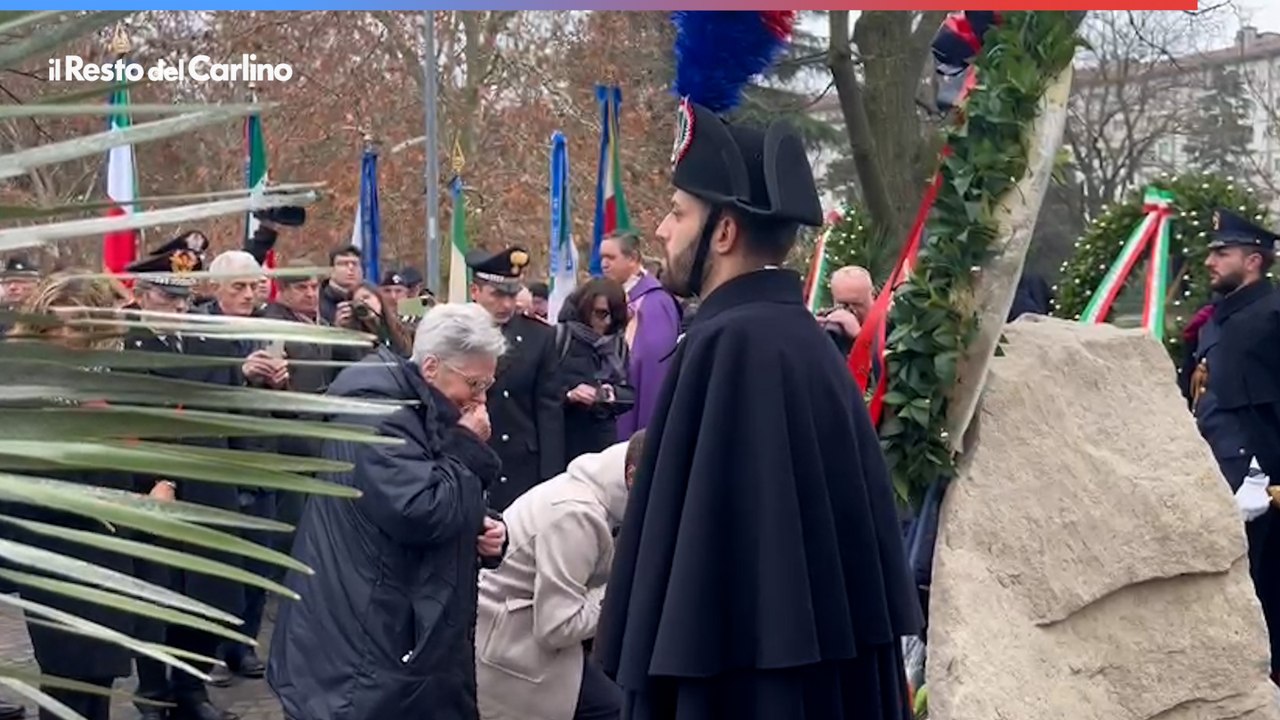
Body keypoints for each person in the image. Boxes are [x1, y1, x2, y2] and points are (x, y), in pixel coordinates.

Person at [595, 98, 923, 720]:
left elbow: (709, 599)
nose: (663, 230)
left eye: (677, 212)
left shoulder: (730, 346)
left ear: (723, 231)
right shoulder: (804, 342)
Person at [268, 303, 509, 720]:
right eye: (474, 383)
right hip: (363, 649)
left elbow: (445, 490)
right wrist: (468, 448)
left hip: (402, 638)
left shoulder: (423, 408)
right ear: (431, 367)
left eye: (488, 383)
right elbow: (421, 511)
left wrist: (487, 533)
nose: (481, 398)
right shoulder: (379, 414)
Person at [1, 273, 156, 720]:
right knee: (68, 674)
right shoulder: (20, 386)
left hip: (111, 547)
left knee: (101, 674)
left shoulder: (103, 377)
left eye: (81, 325)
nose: (69, 335)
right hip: (55, 551)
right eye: (60, 324)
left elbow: (137, 449)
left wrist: (153, 484)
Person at [124, 239, 247, 720]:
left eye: (184, 299)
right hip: (151, 491)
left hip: (211, 488)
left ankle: (191, 688)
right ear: (140, 293)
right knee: (156, 594)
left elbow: (234, 415)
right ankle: (153, 690)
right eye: (165, 297)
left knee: (209, 593)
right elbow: (121, 424)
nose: (177, 308)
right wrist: (154, 477)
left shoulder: (210, 343)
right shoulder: (125, 346)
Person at [476, 431, 646, 720]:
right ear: (632, 476)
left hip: (526, 637)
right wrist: (626, 589)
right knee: (620, 710)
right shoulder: (576, 514)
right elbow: (558, 626)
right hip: (513, 657)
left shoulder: (605, 489)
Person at [1187, 208, 1280, 682]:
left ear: (1254, 261)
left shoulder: (1274, 314)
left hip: (1267, 494)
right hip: (1218, 484)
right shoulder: (1213, 322)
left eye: (1222, 253)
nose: (1210, 261)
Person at [466, 247, 565, 509]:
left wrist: (552, 477)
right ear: (475, 292)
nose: (506, 304)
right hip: (472, 456)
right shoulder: (457, 334)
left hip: (522, 464)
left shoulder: (539, 337)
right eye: (497, 294)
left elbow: (548, 409)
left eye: (512, 294)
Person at [598, 232, 680, 439]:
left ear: (633, 258)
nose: (604, 264)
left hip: (634, 412)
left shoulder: (654, 304)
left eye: (611, 257)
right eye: (602, 258)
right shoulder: (605, 296)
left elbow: (655, 371)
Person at [555, 279, 635, 461]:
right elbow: (542, 392)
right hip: (565, 440)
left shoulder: (617, 345)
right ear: (585, 308)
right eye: (600, 314)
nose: (606, 322)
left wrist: (609, 394)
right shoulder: (561, 337)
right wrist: (570, 395)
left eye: (613, 316)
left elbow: (629, 395)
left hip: (602, 441)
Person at [818, 265, 875, 355]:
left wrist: (859, 337)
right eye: (842, 304)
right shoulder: (827, 326)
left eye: (856, 304)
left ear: (873, 296)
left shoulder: (889, 326)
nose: (849, 311)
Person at [319, 245, 363, 324]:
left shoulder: (370, 299)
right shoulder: (315, 301)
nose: (351, 268)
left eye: (355, 264)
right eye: (344, 264)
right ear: (331, 270)